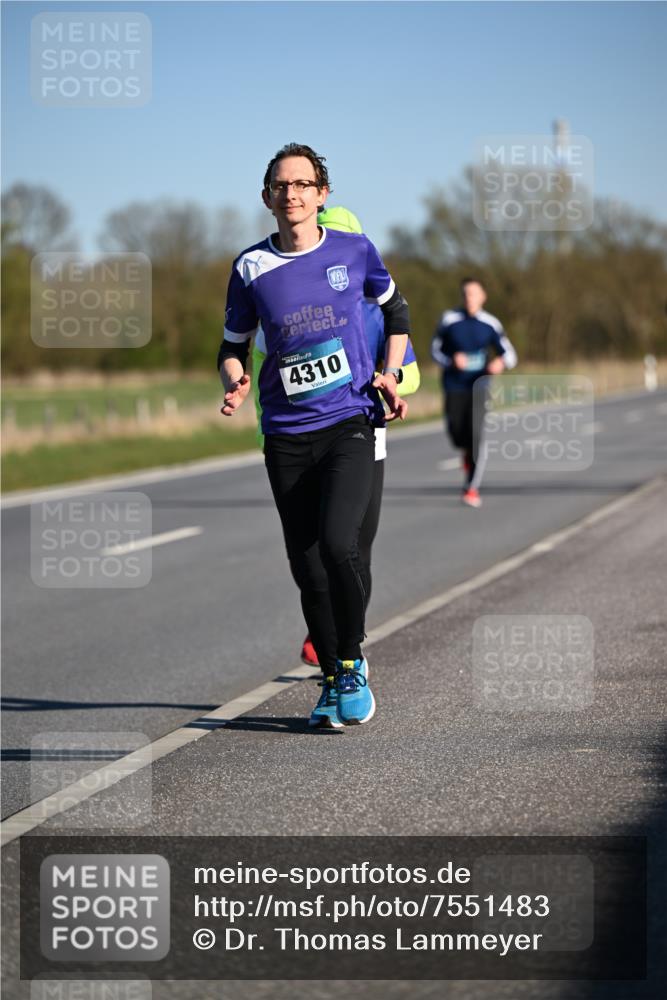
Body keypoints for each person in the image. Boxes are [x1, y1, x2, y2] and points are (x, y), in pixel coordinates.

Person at [218, 144, 410, 727]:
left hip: (349, 421)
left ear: (322, 194)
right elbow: (232, 343)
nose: (292, 194)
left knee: (337, 543)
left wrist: (392, 371)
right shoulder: (250, 267)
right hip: (284, 433)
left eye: (303, 184)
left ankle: (352, 661)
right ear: (267, 197)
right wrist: (237, 380)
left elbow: (396, 309)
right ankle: (329, 678)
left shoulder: (353, 251)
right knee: (306, 566)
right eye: (281, 185)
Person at [250, 205, 420, 673]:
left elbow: (413, 374)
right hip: (297, 438)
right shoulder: (293, 312)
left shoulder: (376, 313)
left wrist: (386, 377)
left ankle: (349, 649)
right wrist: (267, 421)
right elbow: (267, 369)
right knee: (314, 557)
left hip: (363, 434)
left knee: (349, 548)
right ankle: (334, 646)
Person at [431, 277, 517, 508]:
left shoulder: (491, 323)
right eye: (466, 294)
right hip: (454, 386)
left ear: (483, 297)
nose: (470, 298)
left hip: (479, 387)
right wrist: (451, 360)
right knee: (457, 434)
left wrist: (500, 363)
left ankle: (471, 488)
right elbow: (435, 350)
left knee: (477, 436)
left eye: (474, 294)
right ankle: (466, 454)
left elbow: (510, 355)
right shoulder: (449, 320)